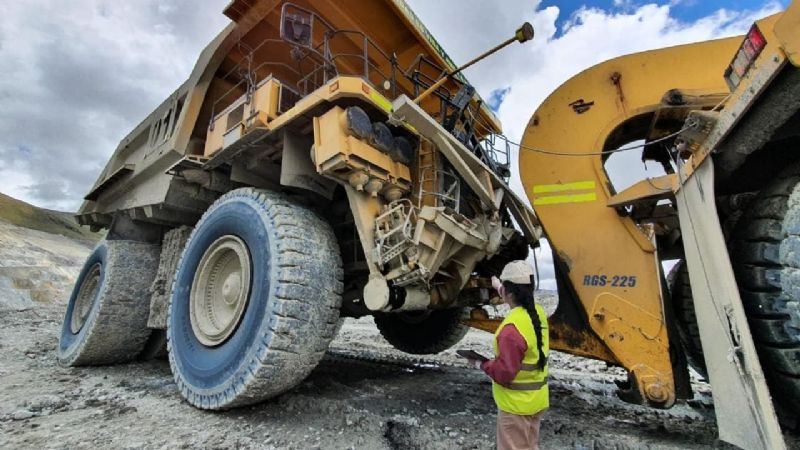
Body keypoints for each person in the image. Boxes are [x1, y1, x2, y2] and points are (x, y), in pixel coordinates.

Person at [467, 260, 549, 450]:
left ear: (508, 293)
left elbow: (504, 374)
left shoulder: (510, 331)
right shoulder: (537, 314)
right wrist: (499, 286)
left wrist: (480, 364)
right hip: (535, 401)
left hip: (516, 407)